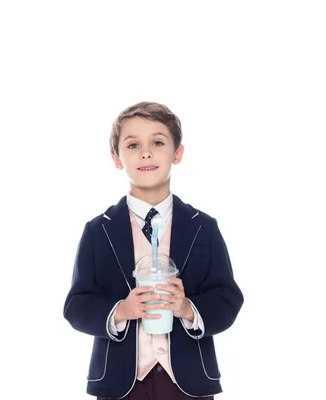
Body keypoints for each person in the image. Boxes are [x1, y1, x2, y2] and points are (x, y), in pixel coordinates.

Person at [63, 102, 244, 399]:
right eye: (133, 144)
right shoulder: (98, 231)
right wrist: (122, 310)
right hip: (120, 384)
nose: (145, 152)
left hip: (189, 383)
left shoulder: (204, 227)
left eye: (157, 142)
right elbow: (76, 305)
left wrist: (187, 308)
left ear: (177, 153)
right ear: (116, 159)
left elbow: (227, 298)